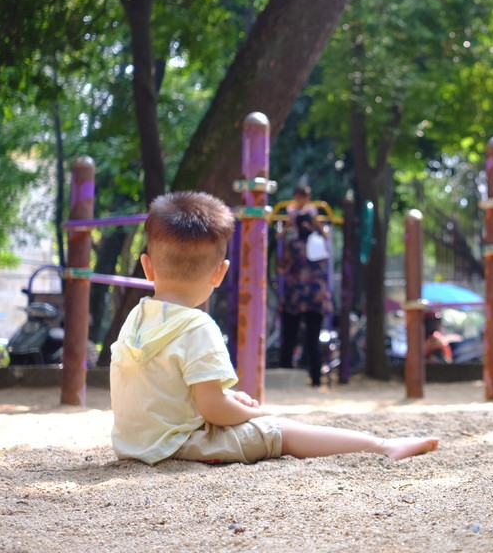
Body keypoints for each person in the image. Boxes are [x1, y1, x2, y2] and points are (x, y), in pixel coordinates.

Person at [110, 191, 438, 465]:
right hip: (178, 446)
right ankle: (382, 446)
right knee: (279, 429)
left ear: (147, 267)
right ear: (220, 274)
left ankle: (382, 445)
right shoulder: (197, 326)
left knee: (246, 412)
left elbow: (165, 386)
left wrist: (226, 395)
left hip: (136, 444)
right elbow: (213, 410)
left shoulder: (138, 317)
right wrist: (257, 413)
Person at [278, 211, 333, 386]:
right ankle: (316, 379)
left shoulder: (292, 244)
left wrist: (286, 227)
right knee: (312, 339)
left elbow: (281, 266)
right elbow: (328, 246)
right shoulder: (319, 242)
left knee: (289, 338)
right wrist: (318, 225)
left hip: (294, 297)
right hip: (315, 298)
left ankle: (285, 376)